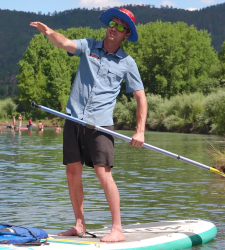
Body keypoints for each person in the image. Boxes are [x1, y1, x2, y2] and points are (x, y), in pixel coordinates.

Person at [30, 8, 147, 243]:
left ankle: (117, 229)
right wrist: (50, 32)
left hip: (100, 124)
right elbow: (65, 43)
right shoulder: (89, 46)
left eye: (121, 26)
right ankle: (79, 225)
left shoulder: (127, 62)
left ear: (126, 34)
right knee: (72, 173)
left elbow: (140, 98)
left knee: (104, 175)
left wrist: (140, 130)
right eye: (112, 23)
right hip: (74, 118)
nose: (114, 28)